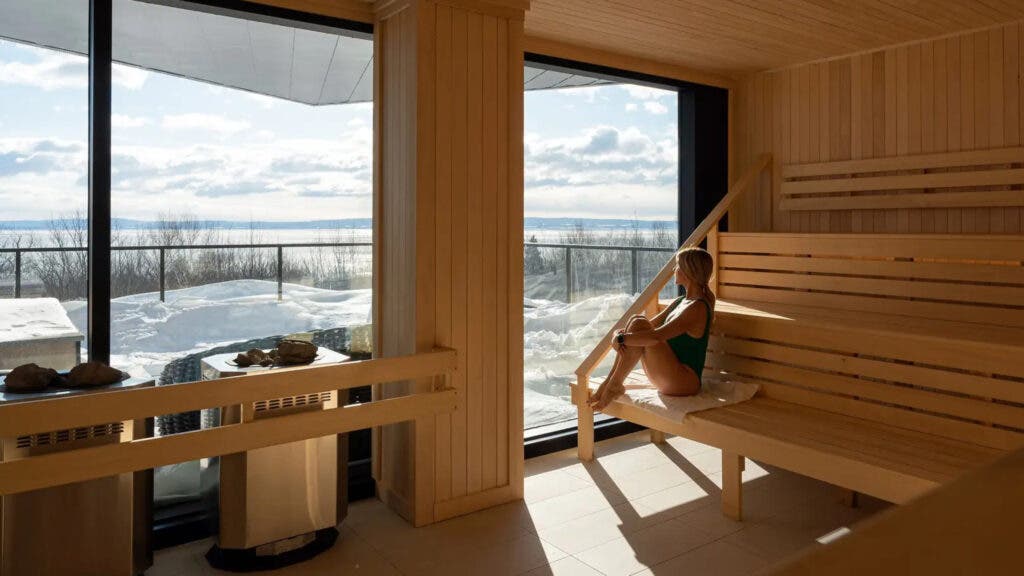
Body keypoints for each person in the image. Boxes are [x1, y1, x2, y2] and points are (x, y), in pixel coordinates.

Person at [588, 247, 716, 411]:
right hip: (669, 376)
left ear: (688, 271)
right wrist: (617, 334)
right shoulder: (681, 302)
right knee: (637, 320)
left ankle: (613, 383)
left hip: (684, 382)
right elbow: (645, 326)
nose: (674, 270)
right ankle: (612, 383)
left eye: (677, 266)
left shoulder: (697, 308)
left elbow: (656, 337)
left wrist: (621, 339)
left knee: (639, 324)